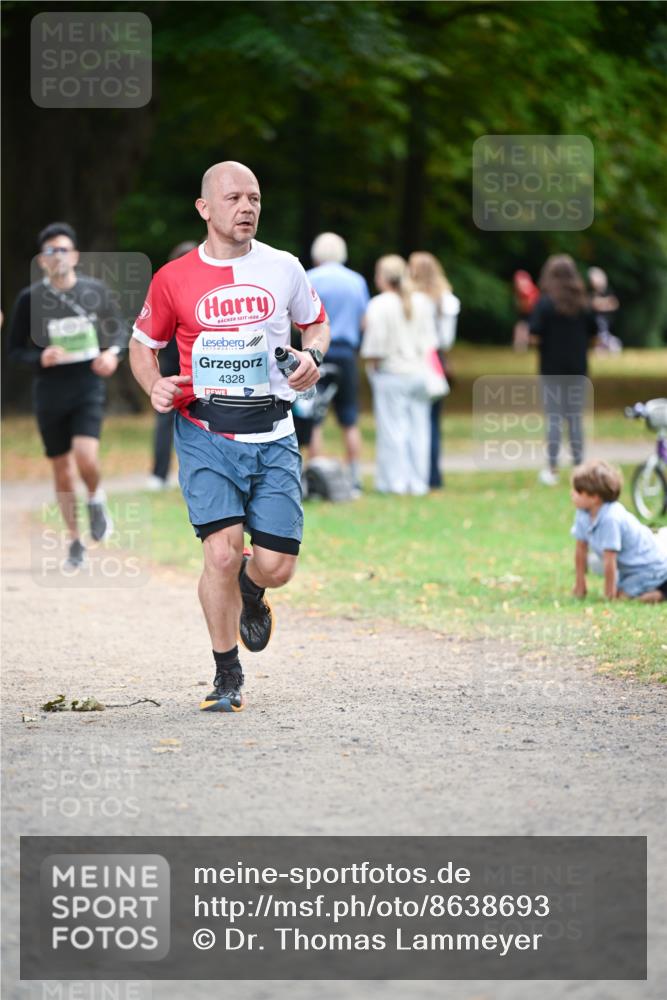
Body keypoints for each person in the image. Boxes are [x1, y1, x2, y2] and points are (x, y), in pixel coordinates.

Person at [129, 161, 329, 714]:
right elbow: (143, 344)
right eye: (234, 198)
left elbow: (316, 322)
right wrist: (154, 384)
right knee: (219, 553)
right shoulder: (173, 277)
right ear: (204, 208)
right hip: (204, 429)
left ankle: (252, 585)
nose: (247, 207)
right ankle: (226, 673)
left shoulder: (284, 267)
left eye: (254, 198)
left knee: (277, 566)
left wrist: (312, 355)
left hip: (275, 429)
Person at [7, 222, 124, 568]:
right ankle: (74, 540)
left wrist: (112, 354)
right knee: (61, 468)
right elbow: (13, 350)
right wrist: (39, 357)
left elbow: (119, 329)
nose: (57, 256)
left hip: (87, 386)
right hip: (50, 391)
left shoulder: (94, 291)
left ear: (74, 256)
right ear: (41, 260)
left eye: (63, 250)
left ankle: (96, 498)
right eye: (50, 251)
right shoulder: (29, 299)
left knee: (86, 457)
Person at [360, 254, 437, 495]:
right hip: (420, 372)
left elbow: (375, 345)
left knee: (393, 430)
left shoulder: (380, 304)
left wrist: (373, 367)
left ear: (383, 277)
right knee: (419, 430)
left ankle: (395, 482)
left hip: (391, 373)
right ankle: (418, 482)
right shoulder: (422, 301)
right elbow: (432, 341)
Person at [306, 232, 369, 492]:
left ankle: (315, 475)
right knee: (349, 417)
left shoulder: (310, 278)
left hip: (317, 353)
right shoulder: (356, 281)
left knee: (314, 417)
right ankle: (354, 476)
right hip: (346, 353)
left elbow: (299, 318)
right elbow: (364, 321)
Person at [528, 254, 598, 486]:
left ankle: (552, 468)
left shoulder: (545, 303)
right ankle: (579, 466)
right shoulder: (584, 304)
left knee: (554, 419)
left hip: (551, 369)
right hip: (578, 369)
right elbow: (594, 335)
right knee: (575, 418)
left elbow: (534, 335)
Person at [571, 460, 667, 603]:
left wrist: (610, 595)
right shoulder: (583, 512)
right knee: (621, 589)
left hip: (649, 568)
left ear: (595, 498)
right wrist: (580, 585)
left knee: (621, 596)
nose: (572, 494)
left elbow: (610, 559)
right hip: (628, 570)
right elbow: (581, 548)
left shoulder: (611, 518)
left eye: (578, 492)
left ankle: (660, 593)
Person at [146, 240, 198, 490]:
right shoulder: (173, 291)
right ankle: (162, 474)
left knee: (168, 421)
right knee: (176, 419)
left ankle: (161, 475)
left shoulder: (165, 289)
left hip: (181, 365)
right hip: (182, 366)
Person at [408, 252, 460, 489]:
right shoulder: (446, 300)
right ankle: (433, 475)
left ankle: (415, 473)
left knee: (413, 419)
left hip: (413, 359)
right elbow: (446, 340)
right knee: (432, 420)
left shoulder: (411, 299)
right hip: (434, 360)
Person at [587, 266, 622, 354]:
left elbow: (614, 303)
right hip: (595, 325)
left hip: (604, 324)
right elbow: (593, 304)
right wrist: (605, 303)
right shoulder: (590, 292)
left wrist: (601, 304)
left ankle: (605, 345)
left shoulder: (607, 291)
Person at [511, 269, 540, 352]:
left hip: (529, 311)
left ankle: (521, 345)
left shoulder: (526, 288)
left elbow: (530, 301)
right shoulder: (527, 288)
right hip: (527, 312)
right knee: (523, 328)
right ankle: (521, 345)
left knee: (524, 328)